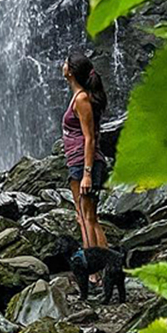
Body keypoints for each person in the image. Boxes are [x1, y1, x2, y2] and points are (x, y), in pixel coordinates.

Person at [62, 51, 108, 255]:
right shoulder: (80, 97)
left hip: (83, 163)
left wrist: (87, 174)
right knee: (88, 217)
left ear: (71, 72)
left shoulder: (81, 99)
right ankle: (106, 269)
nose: (62, 65)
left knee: (85, 218)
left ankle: (93, 272)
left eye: (65, 63)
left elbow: (90, 138)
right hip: (81, 162)